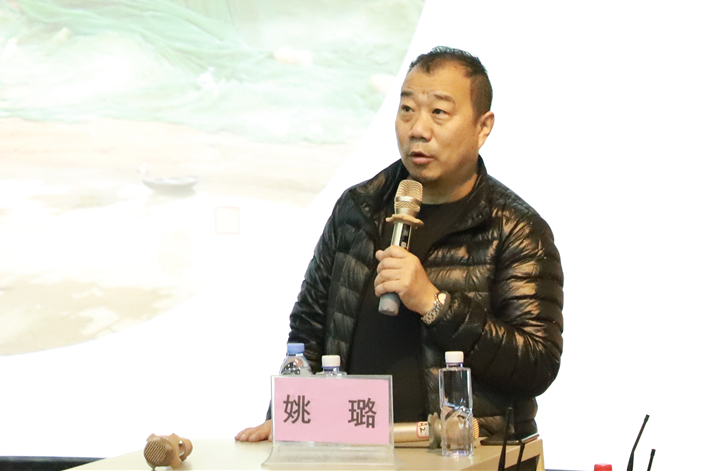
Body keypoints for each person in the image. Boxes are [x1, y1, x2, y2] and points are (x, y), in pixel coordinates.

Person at [236, 47, 563, 442]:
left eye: (438, 112)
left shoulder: (515, 228)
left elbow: (537, 364)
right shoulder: (359, 209)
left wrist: (434, 303)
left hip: (466, 457)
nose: (418, 129)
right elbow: (308, 331)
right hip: (356, 453)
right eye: (407, 110)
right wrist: (288, 415)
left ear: (483, 127)